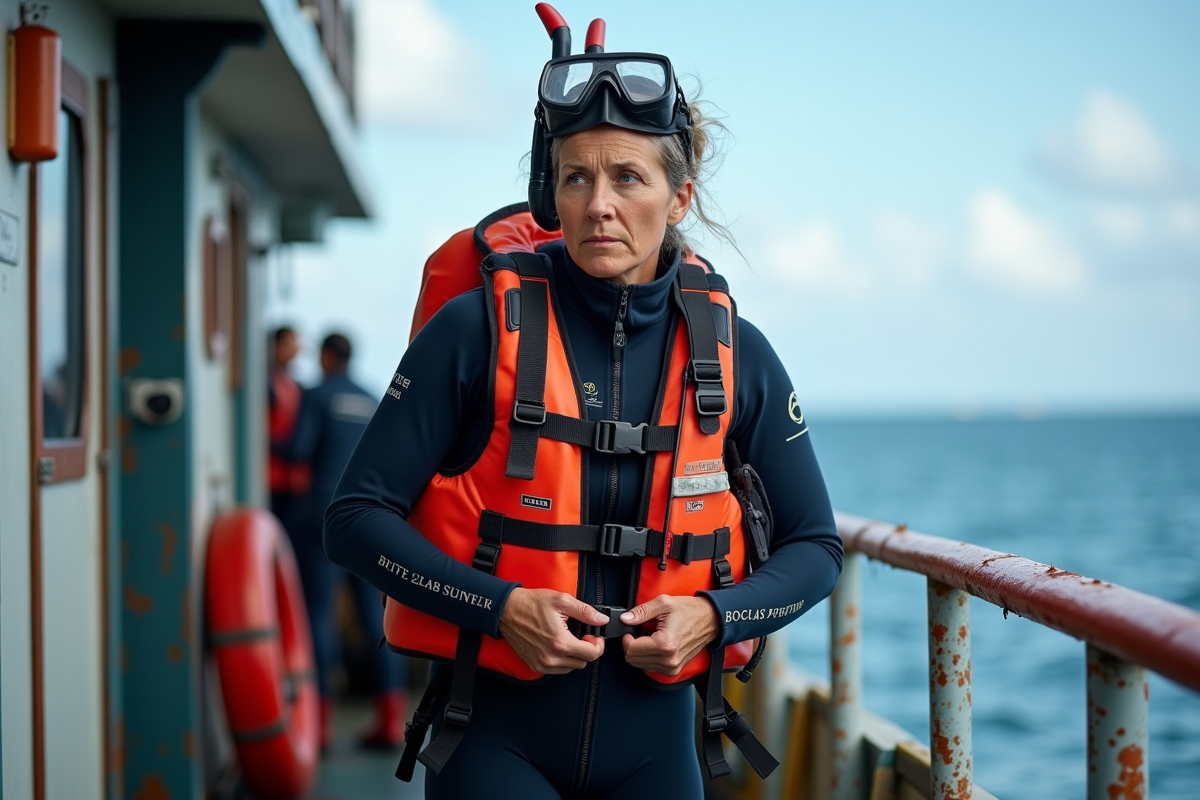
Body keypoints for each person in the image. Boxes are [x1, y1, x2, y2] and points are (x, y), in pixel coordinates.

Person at [324, 8, 843, 798]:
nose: (599, 204)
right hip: (492, 740)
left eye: (628, 177)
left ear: (678, 198)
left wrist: (714, 616)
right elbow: (354, 519)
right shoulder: (476, 331)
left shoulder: (738, 353)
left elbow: (816, 548)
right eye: (576, 176)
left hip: (659, 749)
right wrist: (499, 607)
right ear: (553, 194)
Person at [278, 332, 407, 750]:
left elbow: (298, 449)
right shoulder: (372, 398)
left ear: (328, 356)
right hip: (369, 517)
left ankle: (320, 726)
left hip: (321, 515)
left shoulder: (316, 396)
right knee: (376, 618)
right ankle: (391, 721)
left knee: (319, 614)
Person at [268, 326, 309, 532]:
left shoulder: (295, 386)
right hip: (270, 478)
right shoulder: (266, 382)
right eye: (291, 342)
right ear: (276, 346)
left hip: (292, 481)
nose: (296, 348)